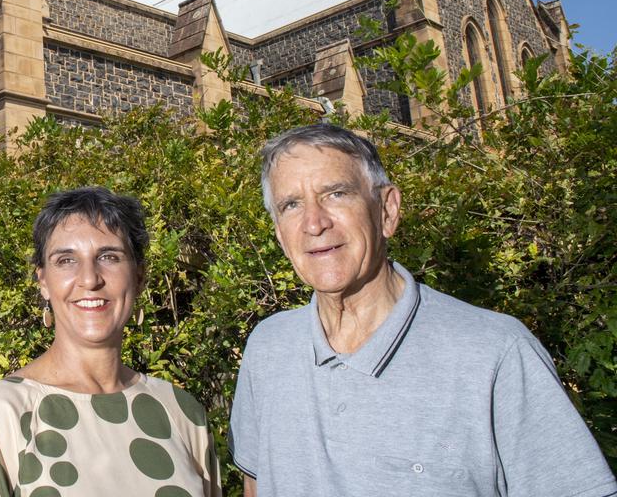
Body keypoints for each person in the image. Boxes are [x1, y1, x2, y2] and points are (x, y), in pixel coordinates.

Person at [230, 123, 616, 497]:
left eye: (336, 194)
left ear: (387, 210)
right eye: (292, 205)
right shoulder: (268, 347)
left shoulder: (496, 353)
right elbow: (257, 485)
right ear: (280, 234)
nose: (314, 223)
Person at [0, 187, 221, 497]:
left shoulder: (182, 412)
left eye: (109, 256)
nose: (90, 279)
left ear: (139, 277)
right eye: (66, 260)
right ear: (44, 282)